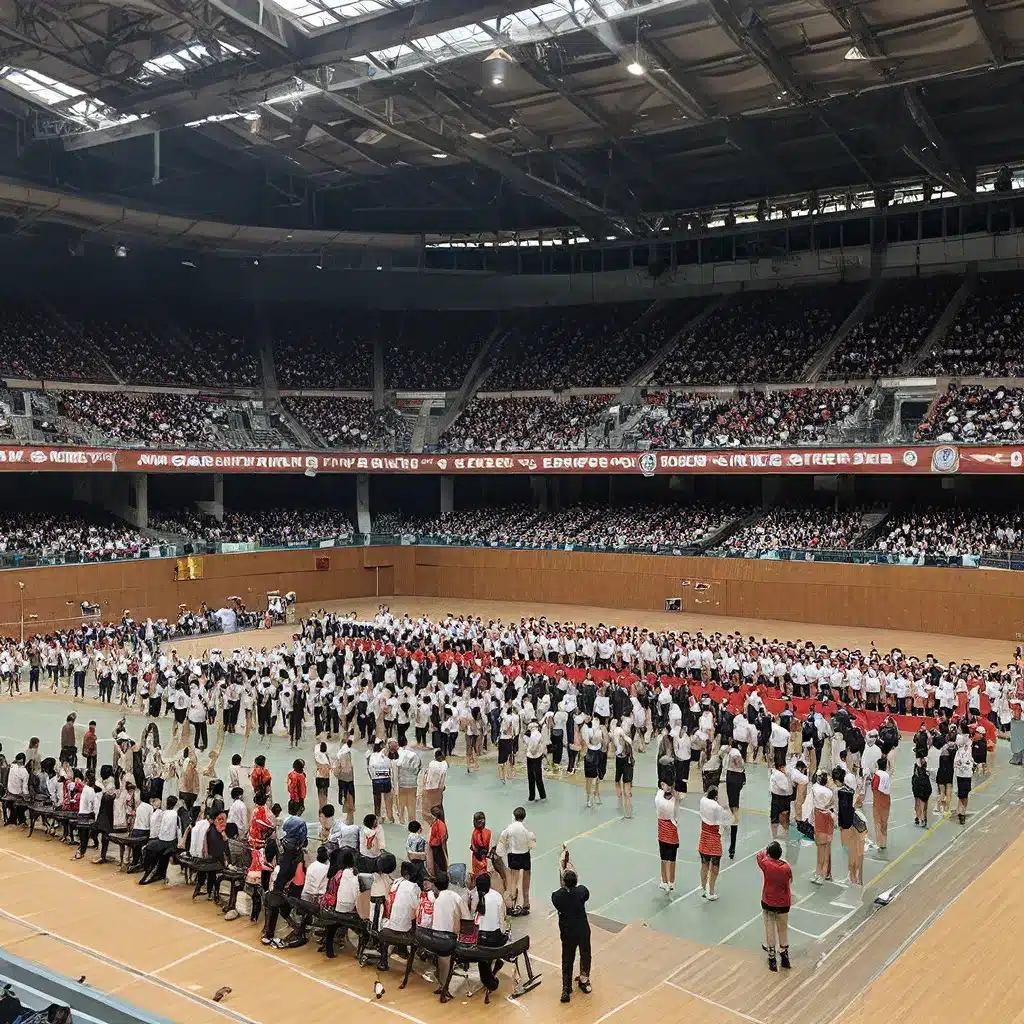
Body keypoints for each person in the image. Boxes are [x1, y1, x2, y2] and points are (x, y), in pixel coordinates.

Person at [551, 844, 591, 1005]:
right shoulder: (582, 892)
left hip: (567, 932)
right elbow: (577, 884)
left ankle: (566, 988)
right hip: (582, 930)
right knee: (585, 954)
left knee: (567, 959)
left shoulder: (557, 897)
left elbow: (562, 886)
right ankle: (584, 979)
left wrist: (562, 867)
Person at [471, 873, 507, 1004]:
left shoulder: (475, 897)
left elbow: (472, 917)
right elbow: (503, 919)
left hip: (479, 939)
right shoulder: (497, 896)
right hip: (495, 938)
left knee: (483, 954)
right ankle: (497, 963)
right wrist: (505, 933)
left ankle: (487, 978)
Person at [756, 841, 792, 972]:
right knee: (782, 929)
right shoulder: (786, 867)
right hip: (783, 903)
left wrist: (766, 851)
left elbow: (759, 856)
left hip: (768, 901)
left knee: (769, 928)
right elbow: (789, 881)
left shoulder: (766, 865)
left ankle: (772, 959)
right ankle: (784, 956)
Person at [697, 786, 733, 901]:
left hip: (704, 835)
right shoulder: (717, 807)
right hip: (713, 837)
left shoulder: (702, 801)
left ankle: (703, 888)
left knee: (704, 864)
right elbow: (724, 822)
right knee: (715, 866)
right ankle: (711, 891)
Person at [499, 806, 535, 917]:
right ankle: (526, 902)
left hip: (513, 856)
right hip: (524, 855)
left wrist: (501, 852)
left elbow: (502, 838)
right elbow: (532, 843)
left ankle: (511, 905)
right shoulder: (525, 830)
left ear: (514, 816)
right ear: (524, 817)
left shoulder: (509, 828)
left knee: (513, 880)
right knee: (526, 878)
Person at [655, 780, 679, 892]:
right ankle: (669, 881)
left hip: (664, 829)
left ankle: (666, 881)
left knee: (666, 857)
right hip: (669, 827)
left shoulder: (659, 797)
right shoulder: (674, 799)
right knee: (668, 857)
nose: (668, 787)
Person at [810, 771, 835, 883]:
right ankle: (823, 873)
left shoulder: (815, 788)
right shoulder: (829, 792)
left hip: (820, 816)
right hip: (827, 817)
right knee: (825, 847)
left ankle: (819, 873)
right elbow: (831, 804)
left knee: (821, 847)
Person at [525, 722, 547, 802]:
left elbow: (531, 749)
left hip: (531, 757)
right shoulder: (539, 734)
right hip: (538, 757)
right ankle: (542, 795)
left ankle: (532, 796)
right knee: (538, 777)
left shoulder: (533, 735)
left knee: (531, 777)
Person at [953, 740, 974, 825]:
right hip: (960, 775)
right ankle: (961, 813)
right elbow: (955, 763)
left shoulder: (970, 749)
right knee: (961, 795)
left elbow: (971, 761)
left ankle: (962, 812)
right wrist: (961, 764)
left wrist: (968, 765)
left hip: (967, 775)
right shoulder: (959, 751)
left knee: (965, 795)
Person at [912, 753, 932, 828]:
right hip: (923, 783)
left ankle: (918, 817)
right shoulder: (927, 764)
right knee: (923, 803)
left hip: (916, 782)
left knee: (917, 801)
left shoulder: (916, 765)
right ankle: (923, 818)